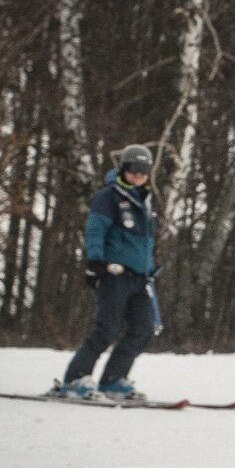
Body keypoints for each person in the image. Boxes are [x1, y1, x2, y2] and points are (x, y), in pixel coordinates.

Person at [54, 144, 160, 400]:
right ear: (123, 169)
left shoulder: (147, 200)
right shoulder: (109, 196)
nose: (139, 174)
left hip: (141, 277)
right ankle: (76, 378)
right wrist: (95, 262)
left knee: (144, 328)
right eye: (134, 169)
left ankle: (113, 381)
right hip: (115, 273)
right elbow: (95, 230)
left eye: (144, 169)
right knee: (107, 328)